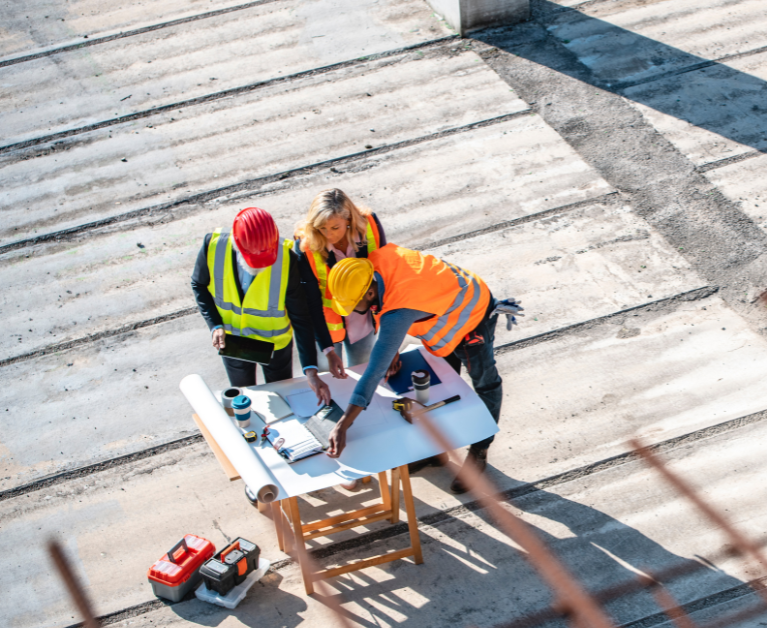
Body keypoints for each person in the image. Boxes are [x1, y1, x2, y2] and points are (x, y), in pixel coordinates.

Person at [323, 245, 520, 494]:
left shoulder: (398, 312)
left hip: (473, 315)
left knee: (485, 383)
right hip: (446, 311)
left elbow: (374, 371)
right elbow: (400, 297)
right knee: (438, 388)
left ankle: (480, 449)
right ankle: (436, 450)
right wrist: (392, 347)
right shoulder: (375, 263)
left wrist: (343, 424)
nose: (351, 310)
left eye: (354, 303)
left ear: (370, 291)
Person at [190, 207, 332, 403]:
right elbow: (199, 284)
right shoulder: (213, 246)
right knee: (244, 399)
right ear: (238, 245)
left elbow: (301, 317)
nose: (261, 265)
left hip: (274, 347)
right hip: (235, 342)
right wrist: (215, 325)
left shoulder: (288, 259)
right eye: (254, 258)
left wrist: (310, 371)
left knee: (283, 400)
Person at [294, 189, 387, 376]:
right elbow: (309, 303)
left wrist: (388, 338)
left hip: (363, 323)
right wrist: (327, 349)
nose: (328, 235)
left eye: (335, 228)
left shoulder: (370, 226)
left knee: (363, 373)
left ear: (349, 220)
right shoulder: (305, 246)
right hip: (326, 330)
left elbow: (387, 277)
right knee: (329, 379)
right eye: (322, 228)